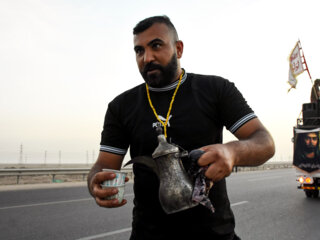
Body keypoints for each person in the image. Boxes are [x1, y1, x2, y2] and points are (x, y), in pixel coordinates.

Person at [87, 15, 275, 240]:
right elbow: (104, 165)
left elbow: (264, 142)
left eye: (156, 45)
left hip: (215, 234)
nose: (147, 57)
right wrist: (94, 183)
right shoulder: (121, 106)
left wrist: (232, 152)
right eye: (139, 51)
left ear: (178, 48)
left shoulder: (216, 89)